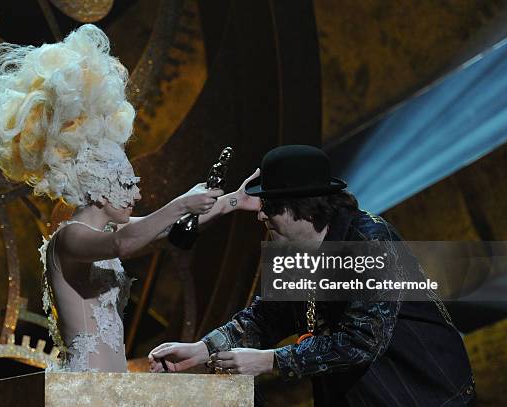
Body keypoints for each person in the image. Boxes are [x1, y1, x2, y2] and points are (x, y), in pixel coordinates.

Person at [0, 24, 254, 372]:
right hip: (84, 388)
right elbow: (124, 244)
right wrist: (181, 202)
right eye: (127, 183)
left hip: (113, 385)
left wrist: (236, 199)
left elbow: (172, 228)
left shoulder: (108, 231)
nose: (138, 192)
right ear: (97, 185)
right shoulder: (68, 238)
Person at [149, 145, 476, 406]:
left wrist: (270, 361)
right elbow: (268, 316)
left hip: (421, 393)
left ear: (300, 206)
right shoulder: (293, 249)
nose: (260, 213)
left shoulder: (369, 242)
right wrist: (203, 349)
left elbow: (363, 340)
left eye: (270, 206)